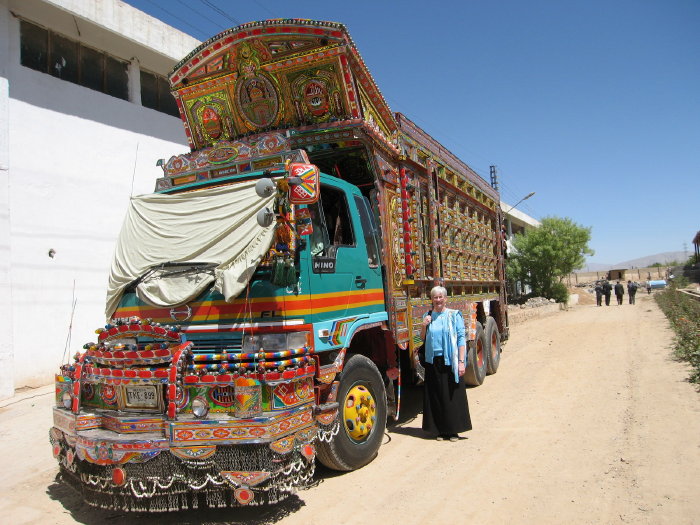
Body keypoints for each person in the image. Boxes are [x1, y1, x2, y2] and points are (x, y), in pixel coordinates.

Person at [420, 286, 472, 441]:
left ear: (446, 299)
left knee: (451, 395)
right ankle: (440, 430)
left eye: (440, 297)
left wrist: (461, 362)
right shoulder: (428, 315)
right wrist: (424, 325)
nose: (438, 300)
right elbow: (422, 338)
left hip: (450, 360)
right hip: (432, 361)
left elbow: (461, 339)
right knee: (436, 395)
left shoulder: (454, 315)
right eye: (435, 297)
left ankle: (453, 430)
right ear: (432, 300)